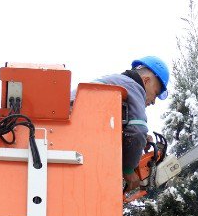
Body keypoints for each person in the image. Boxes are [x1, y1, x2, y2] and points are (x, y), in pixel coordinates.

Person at [71, 56, 170, 191]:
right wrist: (128, 170)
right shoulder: (134, 87)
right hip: (74, 129)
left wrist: (139, 140)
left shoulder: (119, 82)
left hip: (73, 127)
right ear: (146, 81)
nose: (153, 101)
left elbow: (109, 123)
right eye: (155, 93)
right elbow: (138, 130)